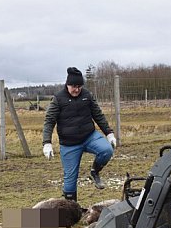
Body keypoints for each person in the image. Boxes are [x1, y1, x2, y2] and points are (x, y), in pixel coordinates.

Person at [42, 67, 116, 201]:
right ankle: (71, 209)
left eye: (79, 86)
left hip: (89, 137)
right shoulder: (58, 99)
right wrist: (47, 142)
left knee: (106, 150)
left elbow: (97, 114)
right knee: (70, 180)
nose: (77, 90)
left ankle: (95, 172)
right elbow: (49, 121)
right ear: (67, 85)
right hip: (69, 144)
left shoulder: (87, 95)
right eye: (74, 87)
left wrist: (109, 133)